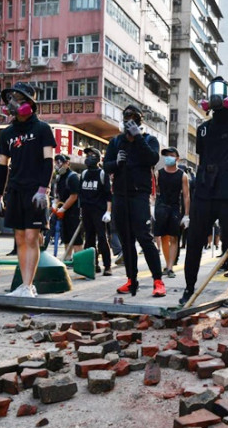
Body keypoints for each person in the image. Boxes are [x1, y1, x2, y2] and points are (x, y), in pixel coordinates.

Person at [179, 76, 228, 308]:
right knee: (194, 242)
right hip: (204, 191)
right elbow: (203, 160)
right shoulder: (203, 130)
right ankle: (189, 288)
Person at [0, 82, 57, 298]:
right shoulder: (7, 134)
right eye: (12, 99)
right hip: (15, 191)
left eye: (19, 100)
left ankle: (29, 286)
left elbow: (48, 162)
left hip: (35, 191)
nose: (14, 104)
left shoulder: (42, 129)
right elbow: (2, 166)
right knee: (20, 238)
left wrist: (44, 188)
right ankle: (24, 284)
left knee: (32, 237)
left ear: (30, 104)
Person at [103, 104, 165, 297]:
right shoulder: (116, 142)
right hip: (120, 195)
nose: (128, 121)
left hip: (139, 195)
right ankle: (131, 280)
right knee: (125, 239)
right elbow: (106, 166)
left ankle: (158, 280)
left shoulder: (148, 140)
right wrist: (116, 163)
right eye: (126, 117)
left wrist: (137, 137)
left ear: (139, 121)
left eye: (133, 118)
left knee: (144, 237)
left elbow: (152, 159)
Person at [154, 147, 190, 278]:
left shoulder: (183, 175)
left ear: (177, 158)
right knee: (163, 236)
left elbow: (186, 196)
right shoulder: (158, 173)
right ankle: (167, 264)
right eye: (166, 155)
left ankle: (170, 267)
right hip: (161, 207)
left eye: (171, 155)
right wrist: (153, 207)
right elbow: (154, 191)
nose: (168, 157)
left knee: (174, 237)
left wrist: (186, 214)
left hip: (175, 208)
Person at [79, 147, 112, 276]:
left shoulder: (102, 174)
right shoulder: (83, 174)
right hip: (87, 211)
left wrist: (108, 212)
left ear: (98, 158)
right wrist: (81, 211)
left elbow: (109, 195)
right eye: (87, 155)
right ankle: (93, 264)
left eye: (92, 155)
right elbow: (81, 194)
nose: (88, 157)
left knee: (103, 238)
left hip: (100, 211)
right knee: (89, 239)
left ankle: (107, 265)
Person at [53, 154, 83, 261]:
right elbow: (58, 195)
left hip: (74, 212)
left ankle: (79, 259)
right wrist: (54, 205)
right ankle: (67, 257)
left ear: (67, 163)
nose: (58, 166)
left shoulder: (73, 177)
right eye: (56, 163)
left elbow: (74, 196)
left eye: (60, 163)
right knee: (66, 236)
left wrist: (63, 208)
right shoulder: (59, 178)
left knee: (75, 237)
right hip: (64, 212)